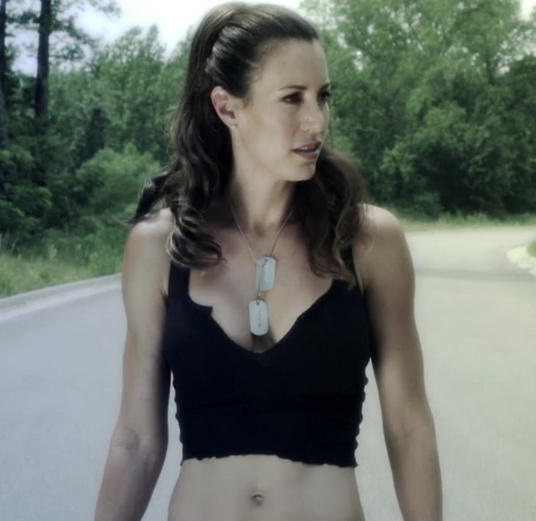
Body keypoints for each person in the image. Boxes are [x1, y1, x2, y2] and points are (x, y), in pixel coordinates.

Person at [93, 3, 442, 520]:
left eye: (323, 97)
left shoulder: (368, 240)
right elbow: (137, 439)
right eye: (292, 98)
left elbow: (409, 426)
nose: (316, 121)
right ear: (228, 108)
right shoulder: (158, 246)